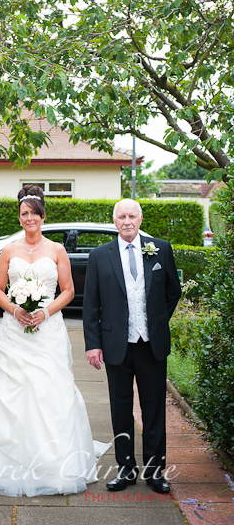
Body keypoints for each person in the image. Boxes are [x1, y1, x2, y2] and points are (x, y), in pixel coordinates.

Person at [0, 185, 110, 497]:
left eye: (33, 213)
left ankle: (54, 461)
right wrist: (16, 309)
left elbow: (69, 291)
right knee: (9, 390)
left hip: (47, 329)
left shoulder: (57, 250)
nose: (29, 218)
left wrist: (44, 312)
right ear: (19, 218)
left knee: (49, 389)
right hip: (14, 331)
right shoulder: (9, 250)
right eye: (24, 213)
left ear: (43, 216)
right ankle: (4, 460)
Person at [83, 198, 181, 494]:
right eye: (121, 216)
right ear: (115, 221)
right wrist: (93, 344)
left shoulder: (160, 248)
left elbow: (171, 292)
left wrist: (157, 320)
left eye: (132, 216)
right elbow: (91, 305)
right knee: (120, 409)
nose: (127, 221)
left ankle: (154, 472)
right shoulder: (100, 255)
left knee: (154, 409)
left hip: (151, 344)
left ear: (140, 218)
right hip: (116, 345)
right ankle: (126, 470)